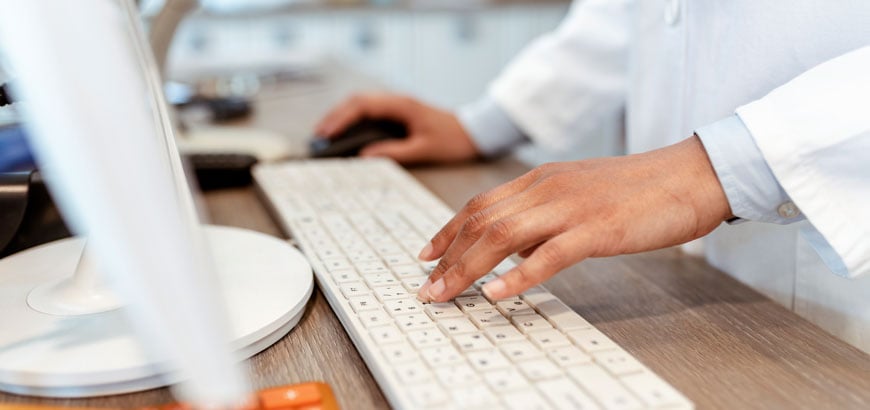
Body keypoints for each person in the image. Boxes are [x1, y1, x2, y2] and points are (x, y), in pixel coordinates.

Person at [315, 0, 870, 352]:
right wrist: (482, 124)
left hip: (836, 322)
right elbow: (635, 13)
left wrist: (716, 168)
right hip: (680, 295)